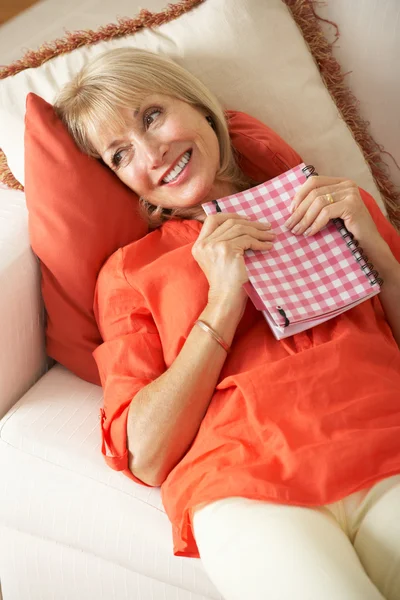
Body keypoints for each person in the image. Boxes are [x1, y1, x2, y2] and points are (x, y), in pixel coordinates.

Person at [55, 47, 400, 600]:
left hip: (387, 438)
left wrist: (377, 252)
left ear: (199, 106)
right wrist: (220, 303)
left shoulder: (334, 203)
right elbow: (145, 454)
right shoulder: (130, 272)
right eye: (120, 155)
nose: (152, 153)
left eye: (151, 116)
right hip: (243, 484)